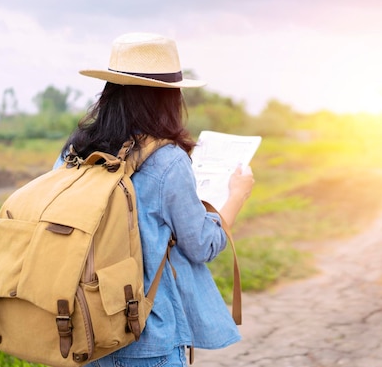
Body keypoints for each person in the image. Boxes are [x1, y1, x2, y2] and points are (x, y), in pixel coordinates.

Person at [56, 32, 254, 367]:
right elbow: (201, 245)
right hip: (146, 337)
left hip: (84, 330)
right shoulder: (168, 160)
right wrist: (236, 196)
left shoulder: (75, 151)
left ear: (111, 91)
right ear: (168, 98)